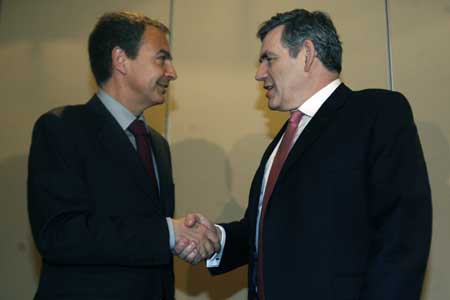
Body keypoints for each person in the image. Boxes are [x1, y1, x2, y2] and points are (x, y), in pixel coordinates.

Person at [176, 8, 432, 300]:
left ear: (307, 54)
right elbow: (266, 230)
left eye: (268, 59)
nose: (259, 74)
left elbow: (402, 235)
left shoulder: (376, 113)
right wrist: (217, 240)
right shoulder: (282, 141)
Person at [27, 11, 219, 300]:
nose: (172, 72)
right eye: (161, 58)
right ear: (120, 60)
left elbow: (147, 236)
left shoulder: (158, 145)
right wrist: (168, 233)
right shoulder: (62, 128)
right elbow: (60, 235)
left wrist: (183, 238)